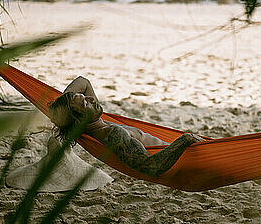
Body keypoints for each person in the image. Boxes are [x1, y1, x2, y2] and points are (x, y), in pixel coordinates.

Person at [48, 76, 203, 178]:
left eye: (85, 97)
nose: (91, 99)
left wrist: (66, 101)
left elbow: (84, 82)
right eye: (85, 103)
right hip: (188, 163)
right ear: (78, 120)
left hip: (189, 155)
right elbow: (150, 168)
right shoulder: (113, 134)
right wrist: (184, 140)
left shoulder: (94, 121)